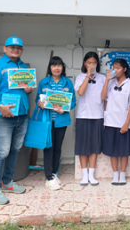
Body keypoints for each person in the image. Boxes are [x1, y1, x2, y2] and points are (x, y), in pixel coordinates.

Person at [0, 36, 33, 204]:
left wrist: (28, 90)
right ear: (5, 49)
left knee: (15, 149)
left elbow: (25, 90)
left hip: (21, 115)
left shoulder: (24, 67)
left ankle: (7, 182)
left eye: (18, 47)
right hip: (3, 116)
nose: (15, 50)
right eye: (11, 47)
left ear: (22, 50)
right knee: (2, 152)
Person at [37, 56, 77, 190]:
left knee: (57, 148)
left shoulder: (68, 83)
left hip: (61, 120)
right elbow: (38, 98)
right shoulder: (43, 82)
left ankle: (53, 174)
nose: (56, 68)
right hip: (47, 121)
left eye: (59, 65)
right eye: (54, 65)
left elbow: (73, 102)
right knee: (48, 147)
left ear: (62, 67)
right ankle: (49, 177)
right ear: (50, 68)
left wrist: (65, 108)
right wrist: (40, 103)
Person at [101, 58, 130, 186]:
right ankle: (115, 175)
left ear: (125, 69)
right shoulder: (110, 83)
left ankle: (122, 175)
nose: (115, 70)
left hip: (123, 122)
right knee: (112, 150)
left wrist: (127, 123)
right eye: (114, 67)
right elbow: (103, 98)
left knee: (123, 151)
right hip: (110, 121)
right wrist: (106, 80)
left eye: (118, 68)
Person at [74, 52, 105, 186]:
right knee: (82, 147)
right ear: (85, 64)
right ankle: (84, 175)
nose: (92, 65)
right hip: (83, 115)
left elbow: (105, 97)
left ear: (97, 64)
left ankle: (91, 175)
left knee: (94, 146)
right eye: (89, 62)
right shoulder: (80, 77)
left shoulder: (103, 78)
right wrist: (88, 75)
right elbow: (80, 92)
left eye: (94, 62)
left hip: (98, 115)